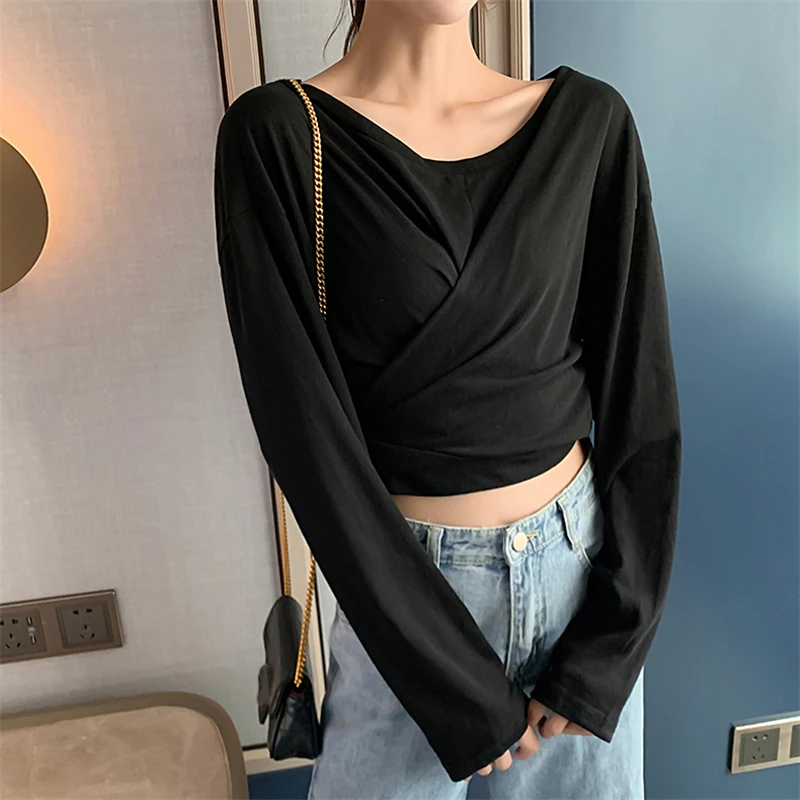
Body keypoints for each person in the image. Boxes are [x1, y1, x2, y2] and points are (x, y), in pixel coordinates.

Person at [213, 0, 682, 797]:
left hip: (579, 588)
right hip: (403, 610)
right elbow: (308, 442)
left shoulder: (590, 125)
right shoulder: (280, 137)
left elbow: (644, 403)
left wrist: (612, 643)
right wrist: (449, 678)